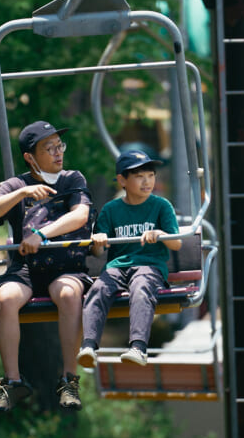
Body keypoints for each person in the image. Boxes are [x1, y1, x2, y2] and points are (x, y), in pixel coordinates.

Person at [0, 120, 92, 413]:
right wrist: (21, 194)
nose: (58, 153)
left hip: (65, 265)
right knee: (5, 298)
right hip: (27, 269)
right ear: (30, 157)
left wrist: (41, 235)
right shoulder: (16, 185)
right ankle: (12, 382)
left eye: (60, 146)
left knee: (69, 295)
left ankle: (69, 380)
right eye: (49, 148)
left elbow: (80, 215)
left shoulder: (72, 180)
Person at [76, 150, 181, 368]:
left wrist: (161, 235)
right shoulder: (111, 210)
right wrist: (98, 241)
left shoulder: (161, 206)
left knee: (141, 287)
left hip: (149, 266)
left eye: (150, 175)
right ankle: (88, 345)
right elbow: (97, 253)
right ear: (122, 180)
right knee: (98, 289)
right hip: (118, 266)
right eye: (139, 176)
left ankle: (138, 347)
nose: (147, 181)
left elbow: (177, 243)